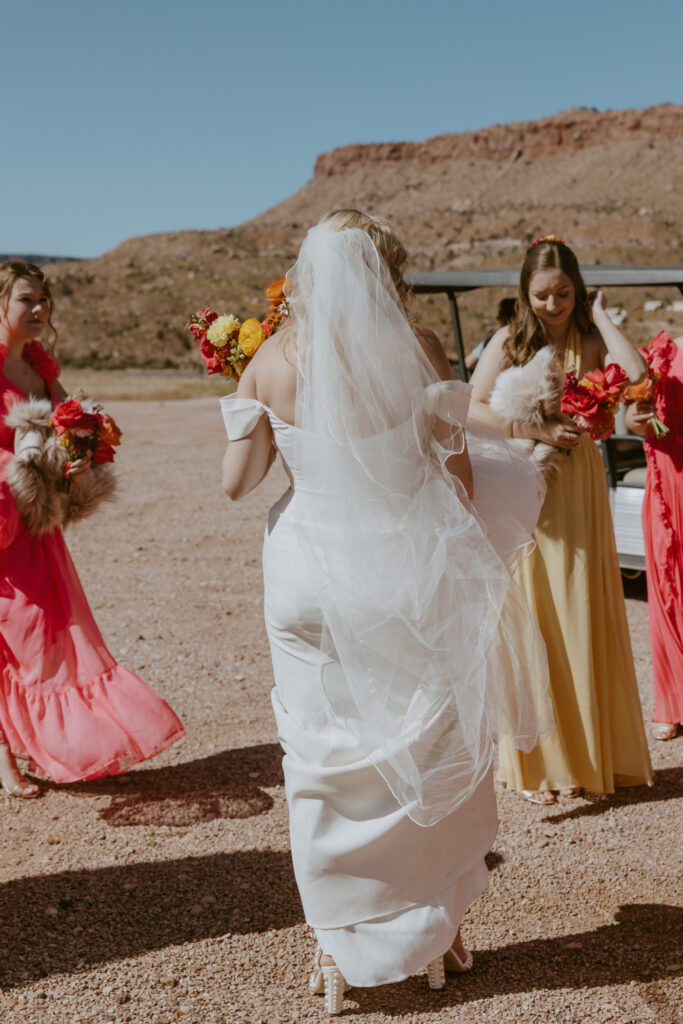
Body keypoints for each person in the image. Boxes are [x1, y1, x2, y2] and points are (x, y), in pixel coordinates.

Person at [220, 210, 550, 1013]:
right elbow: (462, 483)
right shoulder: (422, 352)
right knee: (418, 740)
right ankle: (431, 923)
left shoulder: (269, 361)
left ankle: (336, 937)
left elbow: (237, 484)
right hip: (402, 572)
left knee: (322, 758)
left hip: (307, 577)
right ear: (384, 273)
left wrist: (244, 403)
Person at [469, 236, 653, 804]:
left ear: (578, 288)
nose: (553, 305)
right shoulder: (510, 340)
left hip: (581, 488)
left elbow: (637, 374)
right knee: (538, 618)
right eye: (542, 296)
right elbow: (472, 410)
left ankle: (591, 756)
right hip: (530, 486)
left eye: (565, 294)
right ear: (525, 294)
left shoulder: (590, 338)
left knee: (585, 610)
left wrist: (599, 313)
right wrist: (537, 430)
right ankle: (536, 766)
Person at [0, 260, 184, 797]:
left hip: (37, 527)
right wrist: (18, 468)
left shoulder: (43, 370)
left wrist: (74, 462)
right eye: (25, 300)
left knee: (39, 641)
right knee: (11, 636)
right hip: (2, 518)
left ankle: (42, 745)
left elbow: (57, 440)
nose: (38, 310)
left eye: (43, 301)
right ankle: (4, 760)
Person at [625, 332, 683, 741]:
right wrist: (636, 419)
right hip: (667, 479)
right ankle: (672, 700)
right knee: (666, 587)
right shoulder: (666, 352)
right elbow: (632, 416)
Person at [465, 297, 517, 372]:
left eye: (500, 316)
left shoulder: (494, 338)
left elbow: (468, 363)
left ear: (503, 318)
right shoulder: (530, 337)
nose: (497, 318)